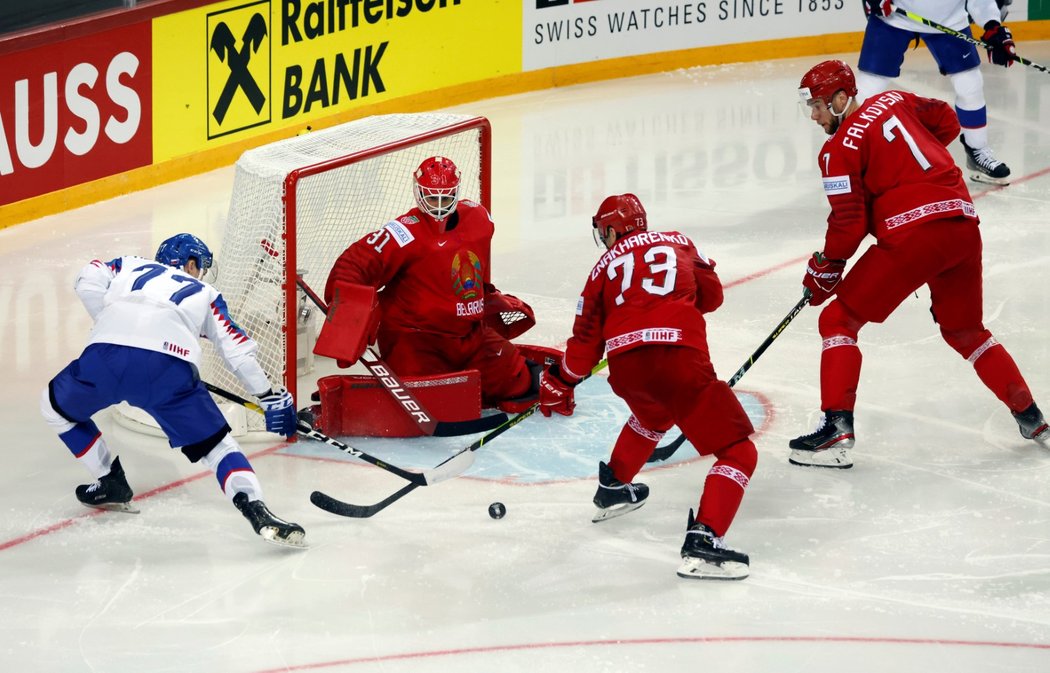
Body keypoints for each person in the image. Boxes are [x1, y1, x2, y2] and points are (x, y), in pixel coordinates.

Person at [791, 60, 1048, 469]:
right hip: (962, 226)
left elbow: (848, 222)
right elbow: (946, 120)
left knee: (838, 321)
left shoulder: (836, 150)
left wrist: (826, 268)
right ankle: (1031, 417)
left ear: (842, 99)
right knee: (966, 331)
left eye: (819, 105)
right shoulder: (896, 99)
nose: (814, 115)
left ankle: (837, 428)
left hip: (913, 239)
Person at [537, 193, 757, 580]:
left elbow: (584, 345)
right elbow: (714, 296)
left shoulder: (600, 268)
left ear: (609, 230)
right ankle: (704, 540)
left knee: (652, 414)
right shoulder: (679, 242)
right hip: (680, 360)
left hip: (627, 369)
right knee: (739, 453)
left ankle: (614, 488)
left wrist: (562, 381)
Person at [41, 234, 306, 548]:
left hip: (104, 358)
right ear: (191, 264)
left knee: (54, 407)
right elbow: (238, 352)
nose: (202, 273)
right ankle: (256, 510)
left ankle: (109, 480)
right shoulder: (205, 292)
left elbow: (86, 278)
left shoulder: (129, 265)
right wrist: (268, 397)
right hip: (168, 371)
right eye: (202, 267)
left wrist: (112, 325)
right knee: (218, 448)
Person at [324, 156, 538, 410]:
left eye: (445, 197)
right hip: (416, 340)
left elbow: (466, 268)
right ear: (419, 192)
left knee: (521, 383)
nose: (438, 205)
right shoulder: (402, 232)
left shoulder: (480, 219)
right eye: (432, 197)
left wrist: (484, 296)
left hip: (468, 335)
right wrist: (351, 317)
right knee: (428, 405)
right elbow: (351, 266)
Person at [857, 0, 1018, 184]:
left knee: (970, 83)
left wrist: (992, 26)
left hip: (948, 20)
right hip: (894, 17)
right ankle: (847, 153)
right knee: (868, 87)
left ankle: (977, 149)